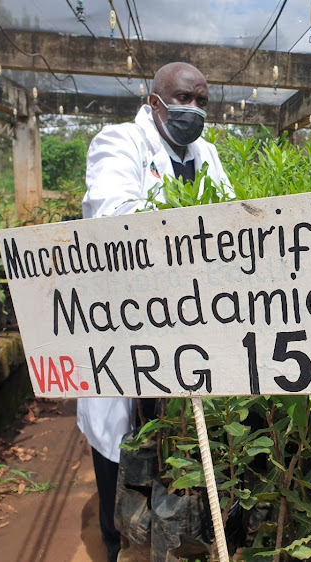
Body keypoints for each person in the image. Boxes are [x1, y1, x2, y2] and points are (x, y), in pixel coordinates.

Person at [78, 61, 229, 562]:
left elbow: (228, 215)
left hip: (184, 317)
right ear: (155, 101)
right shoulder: (120, 142)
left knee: (174, 438)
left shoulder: (205, 152)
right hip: (124, 318)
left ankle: (164, 536)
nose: (194, 111)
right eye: (185, 99)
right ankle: (114, 541)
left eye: (203, 102)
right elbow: (114, 216)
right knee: (119, 445)